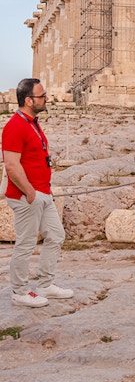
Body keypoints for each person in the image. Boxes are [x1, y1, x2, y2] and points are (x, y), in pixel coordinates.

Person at [2, 78, 74, 307]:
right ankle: (20, 291)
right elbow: (12, 165)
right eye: (42, 95)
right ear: (28, 100)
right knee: (25, 243)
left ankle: (45, 284)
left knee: (56, 236)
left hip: (43, 193)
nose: (46, 98)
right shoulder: (15, 126)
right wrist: (30, 193)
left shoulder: (33, 122)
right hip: (27, 195)